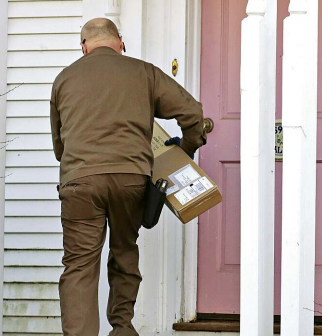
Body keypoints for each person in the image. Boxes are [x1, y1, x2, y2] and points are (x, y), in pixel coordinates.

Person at [50, 17, 206, 336]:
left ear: (83, 47)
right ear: (120, 42)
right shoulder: (144, 72)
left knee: (79, 267)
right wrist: (185, 150)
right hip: (130, 179)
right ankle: (122, 329)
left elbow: (59, 146)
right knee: (124, 252)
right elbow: (193, 115)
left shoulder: (63, 80)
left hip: (80, 181)